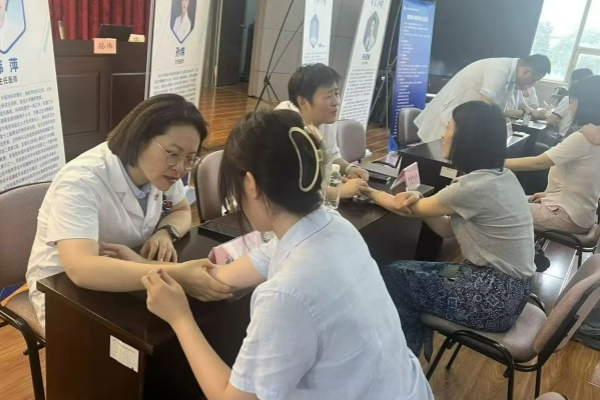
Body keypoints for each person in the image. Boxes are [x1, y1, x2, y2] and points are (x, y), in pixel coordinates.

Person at [125, 110, 434, 399]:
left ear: (250, 184)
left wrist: (180, 318)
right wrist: (152, 269)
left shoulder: (286, 295)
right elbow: (230, 273)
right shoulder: (332, 225)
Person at [26, 94, 232, 329]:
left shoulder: (164, 169)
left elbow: (181, 209)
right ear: (140, 139)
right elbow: (81, 268)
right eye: (173, 153)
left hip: (128, 270)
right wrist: (177, 273)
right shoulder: (81, 181)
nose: (181, 168)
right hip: (62, 288)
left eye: (190, 158)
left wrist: (165, 232)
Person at [361, 101, 535, 359]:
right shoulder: (500, 176)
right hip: (509, 292)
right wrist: (421, 201)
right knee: (400, 270)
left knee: (395, 278)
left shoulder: (473, 187)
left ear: (466, 138)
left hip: (491, 299)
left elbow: (403, 208)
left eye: (449, 127)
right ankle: (412, 346)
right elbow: (445, 230)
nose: (443, 134)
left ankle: (402, 357)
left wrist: (368, 192)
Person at [505, 75, 600, 234]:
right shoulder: (595, 135)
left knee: (497, 205)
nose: (569, 108)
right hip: (581, 215)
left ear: (586, 104)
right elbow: (582, 181)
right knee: (514, 199)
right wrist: (549, 195)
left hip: (565, 216)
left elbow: (539, 162)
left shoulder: (584, 138)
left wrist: (496, 162)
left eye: (571, 102)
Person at [275, 63, 370, 199]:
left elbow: (332, 156)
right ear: (302, 101)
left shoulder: (325, 117)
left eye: (336, 93)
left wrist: (350, 169)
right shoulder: (284, 125)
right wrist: (339, 192)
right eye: (328, 96)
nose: (336, 102)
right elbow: (290, 185)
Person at [415, 55, 551, 142]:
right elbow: (483, 109)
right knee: (434, 162)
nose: (531, 85)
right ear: (526, 71)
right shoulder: (500, 69)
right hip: (448, 120)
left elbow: (498, 110)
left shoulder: (512, 77)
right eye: (534, 80)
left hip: (463, 120)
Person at [545, 68, 594, 137]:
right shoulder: (591, 101)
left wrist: (545, 116)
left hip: (563, 136)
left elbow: (551, 120)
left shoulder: (569, 98)